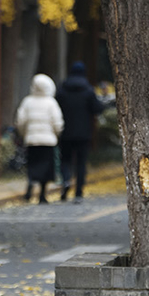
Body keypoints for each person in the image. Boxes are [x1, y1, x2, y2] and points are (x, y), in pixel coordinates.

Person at [55, 61, 105, 200]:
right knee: (81, 163)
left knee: (65, 160)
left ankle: (65, 180)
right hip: (83, 132)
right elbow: (97, 109)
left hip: (66, 131)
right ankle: (79, 191)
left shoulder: (62, 90)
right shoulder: (88, 90)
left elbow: (55, 107)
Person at [15, 73, 64, 205]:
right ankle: (42, 195)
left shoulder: (27, 101)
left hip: (32, 140)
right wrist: (56, 134)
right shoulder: (51, 102)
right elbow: (57, 123)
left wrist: (25, 134)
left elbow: (20, 121)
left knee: (33, 165)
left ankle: (30, 188)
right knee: (47, 168)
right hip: (48, 141)